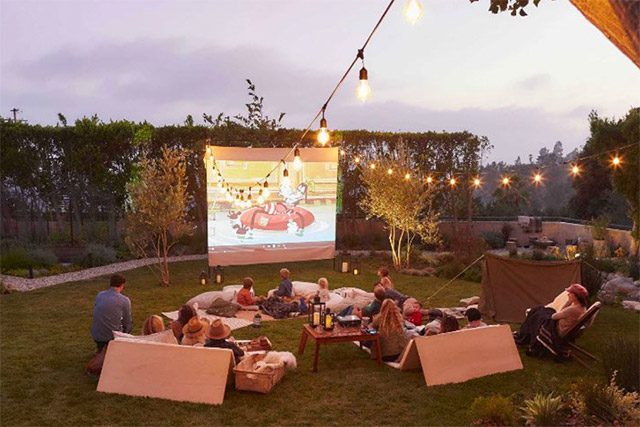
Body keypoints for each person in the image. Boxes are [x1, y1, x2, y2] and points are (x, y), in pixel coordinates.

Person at [514, 284, 589, 352]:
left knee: (537, 314)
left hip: (555, 329)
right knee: (539, 310)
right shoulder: (582, 308)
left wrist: (568, 302)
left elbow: (554, 316)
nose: (568, 295)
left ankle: (523, 337)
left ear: (575, 296)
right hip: (560, 325)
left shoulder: (573, 309)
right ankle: (523, 335)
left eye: (570, 293)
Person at [91, 274, 132, 351]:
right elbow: (127, 322)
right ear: (122, 285)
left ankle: (101, 349)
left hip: (97, 335)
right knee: (128, 326)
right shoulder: (124, 300)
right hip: (113, 337)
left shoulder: (99, 295)